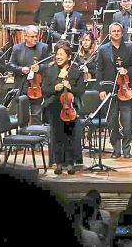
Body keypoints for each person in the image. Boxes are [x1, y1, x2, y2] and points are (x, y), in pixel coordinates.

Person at [95, 22, 132, 158]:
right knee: (112, 121)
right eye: (113, 31)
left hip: (125, 90)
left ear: (122, 32)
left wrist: (127, 71)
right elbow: (99, 70)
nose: (116, 33)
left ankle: (126, 149)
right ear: (109, 33)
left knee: (127, 121)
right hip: (109, 89)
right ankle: (116, 149)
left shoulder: (130, 48)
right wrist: (101, 88)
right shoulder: (103, 49)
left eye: (118, 31)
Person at [43, 42, 86, 174]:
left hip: (70, 108)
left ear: (69, 57)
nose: (58, 57)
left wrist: (70, 87)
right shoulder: (50, 70)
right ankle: (58, 163)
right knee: (57, 136)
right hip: (54, 107)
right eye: (57, 54)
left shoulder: (76, 71)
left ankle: (70, 163)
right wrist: (55, 88)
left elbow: (80, 91)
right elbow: (44, 89)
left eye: (61, 54)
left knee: (70, 135)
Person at [9, 25, 51, 125]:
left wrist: (40, 68)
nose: (35, 39)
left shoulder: (43, 47)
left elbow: (50, 64)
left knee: (36, 113)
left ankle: (37, 136)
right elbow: (10, 65)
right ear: (25, 36)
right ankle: (22, 137)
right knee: (22, 114)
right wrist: (21, 69)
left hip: (37, 86)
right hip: (22, 85)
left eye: (36, 36)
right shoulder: (17, 48)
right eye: (32, 36)